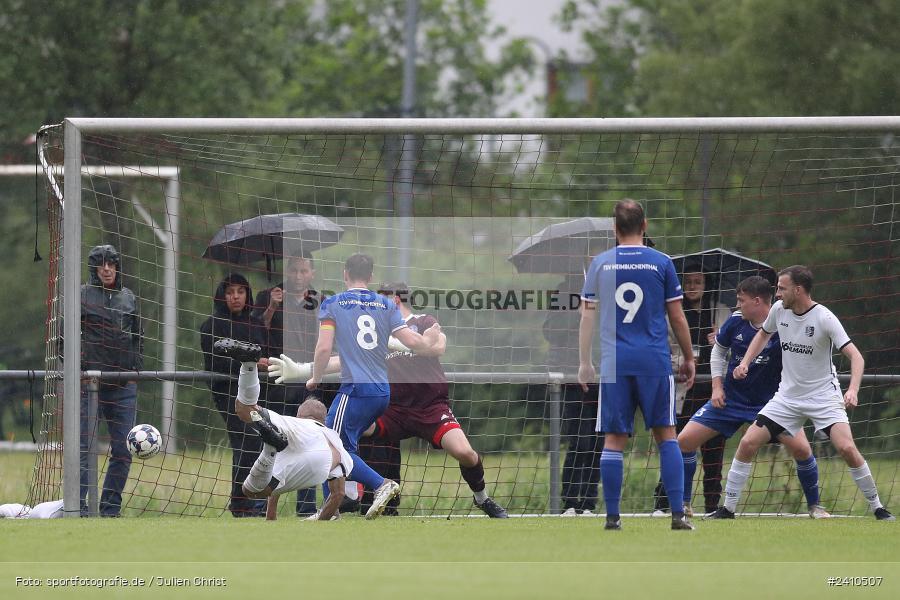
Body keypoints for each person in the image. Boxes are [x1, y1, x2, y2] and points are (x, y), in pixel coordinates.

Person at [711, 265, 894, 521]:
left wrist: (852, 390)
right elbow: (763, 336)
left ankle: (878, 508)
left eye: (781, 289)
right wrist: (745, 363)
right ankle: (727, 509)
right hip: (787, 398)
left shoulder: (824, 318)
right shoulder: (778, 310)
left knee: (846, 448)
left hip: (823, 397)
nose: (776, 294)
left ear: (798, 290)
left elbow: (856, 357)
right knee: (747, 443)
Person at [578, 200, 696, 531]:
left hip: (615, 362)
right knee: (666, 435)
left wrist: (584, 362)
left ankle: (613, 518)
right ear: (645, 225)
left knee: (614, 440)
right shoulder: (662, 262)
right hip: (654, 360)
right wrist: (688, 356)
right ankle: (677, 515)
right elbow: (676, 315)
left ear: (615, 230)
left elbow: (587, 316)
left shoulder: (600, 263)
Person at [305, 254, 441, 519]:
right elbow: (412, 342)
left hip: (356, 389)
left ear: (345, 274)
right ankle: (338, 504)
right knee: (344, 444)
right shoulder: (385, 305)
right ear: (370, 277)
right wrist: (429, 341)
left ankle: (380, 485)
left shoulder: (332, 304)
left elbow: (323, 348)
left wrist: (315, 377)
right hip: (382, 393)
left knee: (330, 445)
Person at [679, 276, 828, 518]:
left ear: (757, 301)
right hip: (731, 399)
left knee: (802, 450)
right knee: (684, 442)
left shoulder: (786, 324)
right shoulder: (736, 322)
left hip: (772, 404)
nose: (738, 306)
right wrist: (717, 388)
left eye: (741, 301)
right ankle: (683, 504)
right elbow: (718, 353)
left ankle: (816, 506)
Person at [360, 282, 508, 517]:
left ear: (395, 301)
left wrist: (399, 343)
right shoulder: (375, 331)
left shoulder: (424, 321)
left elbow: (437, 347)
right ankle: (348, 496)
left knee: (466, 454)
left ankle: (482, 499)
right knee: (349, 428)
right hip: (393, 410)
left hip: (431, 408)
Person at [212, 337, 352, 521]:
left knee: (245, 409)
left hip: (293, 436)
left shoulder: (294, 423)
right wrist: (320, 521)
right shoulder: (333, 437)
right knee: (261, 483)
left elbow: (247, 410)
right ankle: (270, 448)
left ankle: (248, 364)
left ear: (299, 416)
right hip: (324, 462)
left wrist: (271, 515)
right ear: (323, 421)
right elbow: (338, 494)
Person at [653, 267, 731, 515]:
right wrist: (682, 361)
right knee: (675, 446)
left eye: (698, 281)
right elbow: (662, 348)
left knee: (714, 452)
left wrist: (720, 342)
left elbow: (737, 349)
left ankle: (711, 505)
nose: (692, 286)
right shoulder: (670, 312)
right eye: (688, 282)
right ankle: (665, 503)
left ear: (707, 284)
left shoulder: (722, 313)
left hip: (713, 391)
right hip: (682, 389)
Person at [252, 255, 319, 516]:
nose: (299, 275)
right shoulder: (267, 296)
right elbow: (257, 331)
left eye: (304, 270)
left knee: (309, 443)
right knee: (272, 444)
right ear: (287, 271)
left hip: (308, 383)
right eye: (294, 270)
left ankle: (306, 508)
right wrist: (271, 306)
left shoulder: (320, 301)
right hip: (277, 383)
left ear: (311, 273)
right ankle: (261, 505)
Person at [80, 244, 143, 517]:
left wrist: (133, 372)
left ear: (117, 267)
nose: (107, 269)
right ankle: (77, 506)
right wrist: (79, 371)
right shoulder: (81, 296)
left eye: (112, 264)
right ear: (94, 268)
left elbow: (138, 338)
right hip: (89, 386)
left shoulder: (128, 298)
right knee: (84, 447)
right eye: (102, 264)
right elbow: (63, 339)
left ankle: (110, 509)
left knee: (123, 450)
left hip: (122, 386)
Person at [199, 273, 268, 517]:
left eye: (240, 291)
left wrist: (260, 363)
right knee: (247, 443)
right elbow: (215, 362)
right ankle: (241, 503)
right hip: (228, 393)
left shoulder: (256, 324)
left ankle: (254, 504)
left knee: (258, 445)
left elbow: (266, 355)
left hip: (257, 393)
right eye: (230, 292)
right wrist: (249, 361)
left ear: (248, 294)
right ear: (222, 295)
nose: (235, 296)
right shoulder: (212, 325)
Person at [544, 273, 603, 516]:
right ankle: (569, 501)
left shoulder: (610, 287)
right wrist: (578, 313)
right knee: (579, 442)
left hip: (604, 375)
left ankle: (589, 503)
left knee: (598, 443)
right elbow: (549, 331)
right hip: (571, 377)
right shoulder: (564, 291)